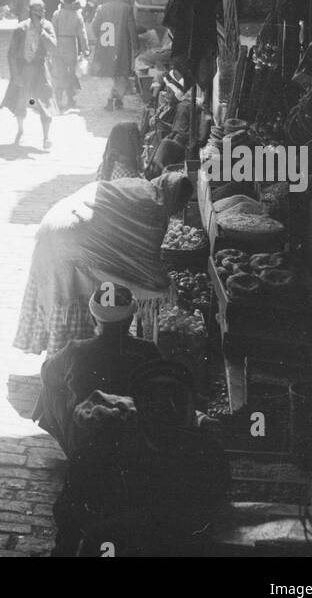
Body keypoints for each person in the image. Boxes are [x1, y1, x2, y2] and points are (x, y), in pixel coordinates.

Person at [14, 122, 192, 355]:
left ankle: (74, 359)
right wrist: (164, 286)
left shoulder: (141, 187)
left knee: (72, 294)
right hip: (67, 240)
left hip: (58, 227)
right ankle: (67, 364)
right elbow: (146, 256)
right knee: (69, 295)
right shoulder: (154, 208)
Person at [53, 359, 230, 556]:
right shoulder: (104, 447)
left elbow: (209, 515)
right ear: (139, 406)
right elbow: (69, 510)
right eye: (156, 399)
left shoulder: (208, 453)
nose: (169, 408)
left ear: (192, 407)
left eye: (178, 398)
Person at [33, 281, 161, 455]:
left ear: (93, 318)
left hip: (85, 439)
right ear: (130, 318)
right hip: (133, 438)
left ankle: (65, 443)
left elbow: (47, 374)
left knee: (49, 385)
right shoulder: (148, 350)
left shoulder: (75, 350)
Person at [1, 0, 57, 151]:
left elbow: (53, 47)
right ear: (30, 12)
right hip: (24, 68)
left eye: (42, 10)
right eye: (36, 11)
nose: (39, 14)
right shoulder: (21, 28)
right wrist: (15, 74)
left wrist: (42, 32)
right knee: (21, 100)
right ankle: (20, 130)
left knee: (45, 102)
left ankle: (46, 138)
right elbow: (11, 53)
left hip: (40, 69)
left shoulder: (48, 26)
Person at [89, 0, 138, 111]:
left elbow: (94, 26)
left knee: (109, 74)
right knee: (121, 74)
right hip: (122, 47)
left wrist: (100, 38)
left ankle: (109, 99)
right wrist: (136, 46)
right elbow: (132, 29)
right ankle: (119, 100)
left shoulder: (102, 8)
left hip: (106, 46)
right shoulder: (127, 8)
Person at [51, 0, 89, 111]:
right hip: (71, 44)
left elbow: (52, 31)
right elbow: (82, 34)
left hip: (58, 44)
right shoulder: (77, 16)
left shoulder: (57, 14)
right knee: (71, 73)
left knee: (59, 72)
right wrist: (85, 49)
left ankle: (58, 99)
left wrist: (51, 47)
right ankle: (70, 99)